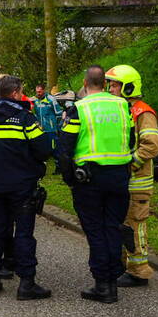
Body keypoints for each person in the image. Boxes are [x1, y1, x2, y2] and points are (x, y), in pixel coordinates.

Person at [0, 76, 53, 299]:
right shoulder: (25, 119)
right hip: (21, 186)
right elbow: (44, 149)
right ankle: (26, 283)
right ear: (15, 93)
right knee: (24, 232)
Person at [57, 65, 134, 304]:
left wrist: (69, 179)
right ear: (104, 82)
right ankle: (113, 279)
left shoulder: (79, 109)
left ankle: (103, 285)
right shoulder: (123, 105)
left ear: (85, 82)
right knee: (112, 226)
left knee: (95, 230)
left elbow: (64, 148)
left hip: (89, 178)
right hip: (119, 176)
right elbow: (130, 139)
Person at [105, 65, 158, 287]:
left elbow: (151, 146)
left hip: (138, 182)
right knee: (123, 225)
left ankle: (139, 272)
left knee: (135, 226)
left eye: (115, 85)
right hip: (123, 182)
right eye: (109, 84)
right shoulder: (122, 109)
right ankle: (124, 266)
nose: (110, 88)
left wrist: (130, 166)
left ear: (128, 86)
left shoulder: (142, 112)